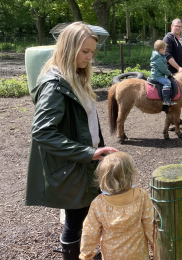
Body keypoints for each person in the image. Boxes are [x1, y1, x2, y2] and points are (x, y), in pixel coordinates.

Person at [25, 22, 118, 259]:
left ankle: (85, 253)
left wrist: (98, 150)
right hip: (75, 165)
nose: (89, 57)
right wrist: (87, 153)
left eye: (92, 52)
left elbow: (86, 123)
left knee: (88, 212)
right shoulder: (55, 85)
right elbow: (42, 131)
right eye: (85, 52)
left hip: (87, 161)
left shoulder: (75, 77)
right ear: (68, 48)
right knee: (75, 218)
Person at [79, 152, 154, 260]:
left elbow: (89, 232)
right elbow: (150, 224)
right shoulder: (141, 196)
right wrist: (155, 247)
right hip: (138, 254)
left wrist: (86, 255)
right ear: (130, 174)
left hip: (111, 256)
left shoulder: (99, 203)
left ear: (103, 178)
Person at [150, 40, 177, 106]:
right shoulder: (158, 59)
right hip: (157, 76)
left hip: (159, 74)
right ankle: (166, 100)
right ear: (161, 49)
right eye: (165, 49)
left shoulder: (159, 56)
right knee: (167, 82)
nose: (165, 51)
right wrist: (169, 74)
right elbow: (163, 69)